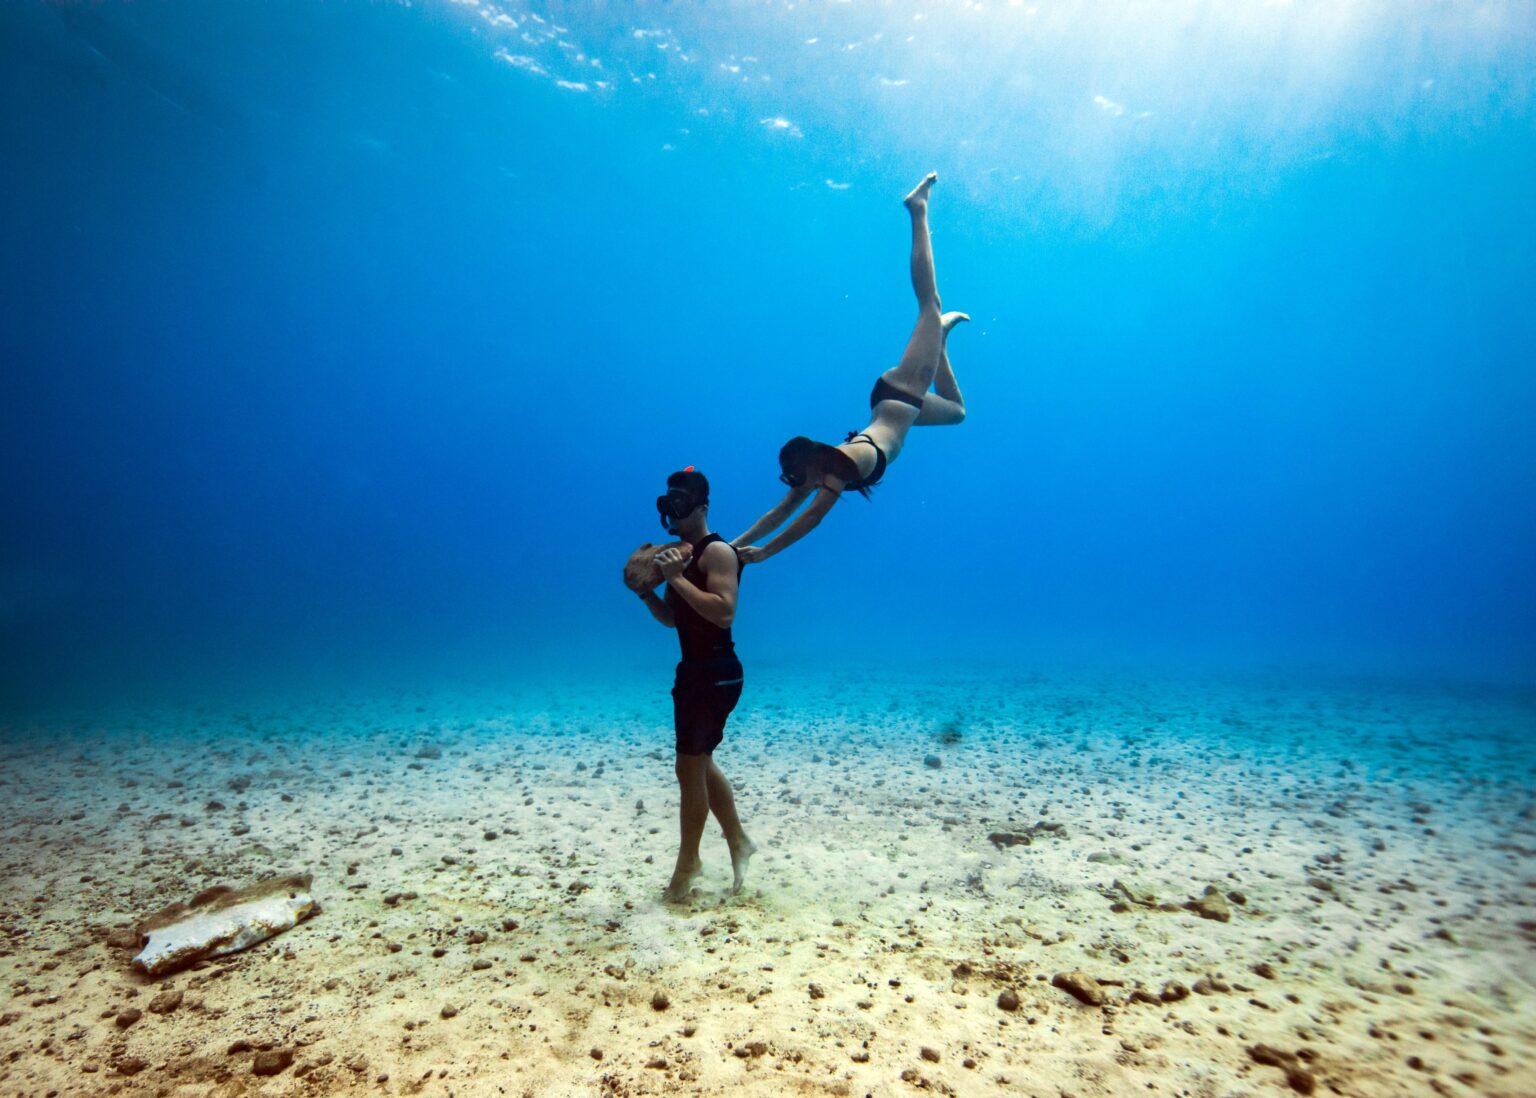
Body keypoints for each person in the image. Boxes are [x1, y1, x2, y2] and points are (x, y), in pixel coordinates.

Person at [733, 172, 970, 564]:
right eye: (792, 479)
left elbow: (810, 518)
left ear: (812, 464)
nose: (795, 485)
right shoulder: (819, 472)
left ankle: (917, 210)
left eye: (795, 477)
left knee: (930, 303)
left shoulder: (844, 465)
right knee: (957, 413)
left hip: (904, 393)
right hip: (897, 407)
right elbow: (776, 513)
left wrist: (763, 554)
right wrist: (729, 545)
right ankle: (938, 340)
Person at [634, 468, 758, 903]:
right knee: (699, 764)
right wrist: (648, 593)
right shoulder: (678, 557)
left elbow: (724, 612)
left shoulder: (718, 552)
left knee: (689, 769)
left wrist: (676, 578)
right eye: (669, 500)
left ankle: (687, 865)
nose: (674, 509)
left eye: (682, 501)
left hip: (717, 672)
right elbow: (674, 619)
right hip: (692, 672)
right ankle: (738, 841)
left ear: (702, 507)